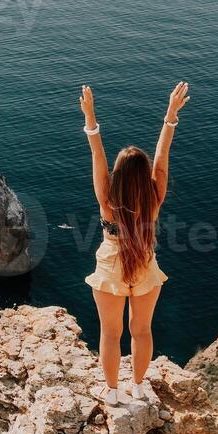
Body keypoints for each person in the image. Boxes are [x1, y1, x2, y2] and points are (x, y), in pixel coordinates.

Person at [79, 81, 188, 402]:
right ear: (144, 177)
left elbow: (96, 151)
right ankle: (139, 386)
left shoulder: (107, 198)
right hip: (144, 263)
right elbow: (162, 157)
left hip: (111, 264)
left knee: (110, 335)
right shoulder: (155, 196)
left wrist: (90, 115)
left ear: (117, 174)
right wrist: (171, 114)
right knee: (142, 331)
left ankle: (112, 392)